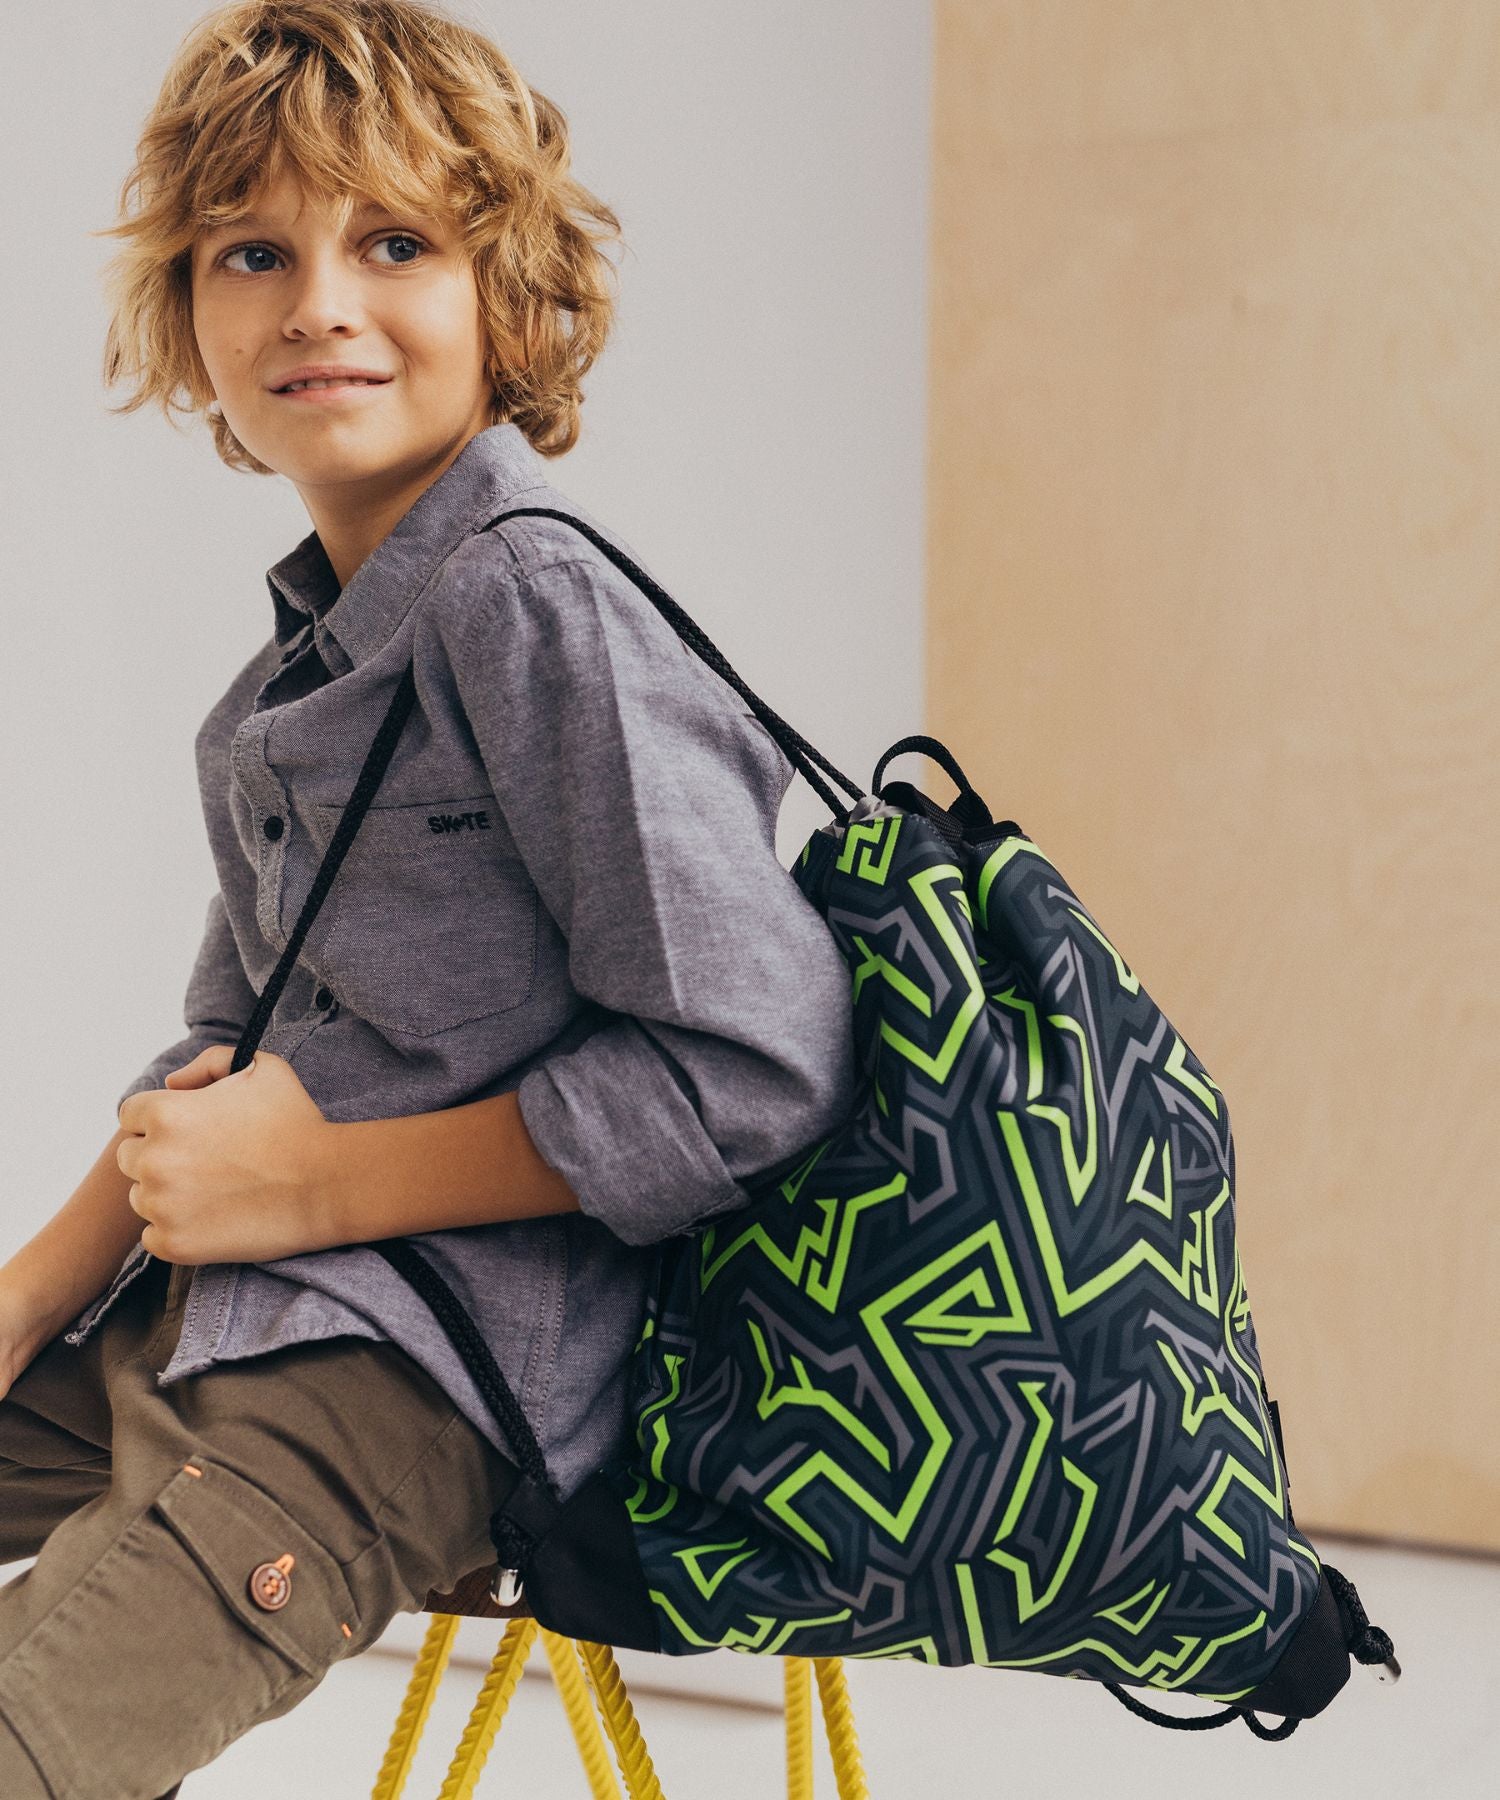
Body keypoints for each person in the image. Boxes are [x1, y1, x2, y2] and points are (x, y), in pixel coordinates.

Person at [0, 4, 858, 1795]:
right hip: (220, 1306)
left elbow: (758, 1068)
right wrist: (20, 1302)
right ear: (190, 319)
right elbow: (220, 1055)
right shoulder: (296, 677)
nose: (318, 302)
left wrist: (321, 1181)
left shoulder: (535, 607)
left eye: (393, 242)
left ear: (508, 298)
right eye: (253, 253)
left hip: (422, 1374)